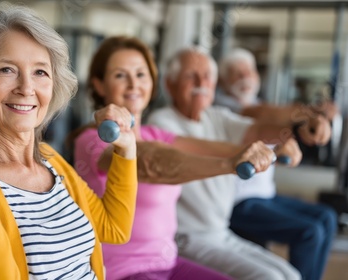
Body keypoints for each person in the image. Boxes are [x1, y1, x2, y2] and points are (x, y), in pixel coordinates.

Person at [0, 6, 139, 280]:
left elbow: (114, 228)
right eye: (6, 69)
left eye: (40, 72)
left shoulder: (50, 161)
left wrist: (127, 150)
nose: (26, 88)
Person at [72, 36, 287, 280]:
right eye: (120, 75)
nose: (134, 84)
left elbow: (209, 148)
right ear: (100, 85)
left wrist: (270, 150)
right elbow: (151, 163)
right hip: (123, 270)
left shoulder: (156, 134)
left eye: (141, 74)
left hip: (167, 260)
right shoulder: (92, 141)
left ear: (152, 82)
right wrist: (229, 165)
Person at [147, 47, 331, 280]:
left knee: (291, 275)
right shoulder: (161, 122)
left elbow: (256, 129)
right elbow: (192, 150)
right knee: (271, 278)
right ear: (170, 84)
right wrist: (245, 150)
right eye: (190, 76)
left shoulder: (217, 117)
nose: (201, 82)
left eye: (207, 76)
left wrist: (294, 132)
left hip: (219, 232)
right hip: (185, 237)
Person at [216, 48, 338, 280]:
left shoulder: (260, 105)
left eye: (249, 71)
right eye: (237, 73)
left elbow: (279, 120)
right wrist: (310, 112)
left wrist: (307, 125)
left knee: (327, 217)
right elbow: (264, 114)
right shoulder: (223, 106)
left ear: (258, 76)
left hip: (264, 195)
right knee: (309, 232)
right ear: (222, 81)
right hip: (239, 202)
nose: (245, 77)